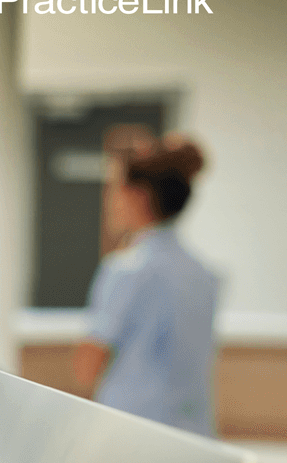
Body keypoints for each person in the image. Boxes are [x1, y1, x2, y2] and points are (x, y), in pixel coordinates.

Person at [75, 133, 218, 436]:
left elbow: (87, 369)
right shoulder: (205, 276)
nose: (110, 202)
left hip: (134, 435)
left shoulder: (126, 270)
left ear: (137, 196)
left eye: (114, 190)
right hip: (194, 437)